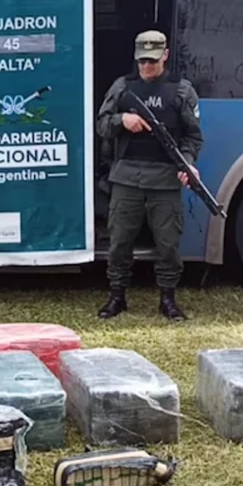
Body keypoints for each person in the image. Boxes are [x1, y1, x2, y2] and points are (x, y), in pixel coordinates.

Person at [94, 29, 204, 321]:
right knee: (119, 243)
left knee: (168, 244)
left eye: (152, 61)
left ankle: (168, 299)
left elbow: (192, 137)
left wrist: (188, 164)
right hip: (126, 178)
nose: (146, 66)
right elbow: (102, 125)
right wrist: (122, 120)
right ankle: (117, 296)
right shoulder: (122, 87)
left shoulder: (181, 91)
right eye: (142, 60)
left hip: (165, 179)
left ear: (165, 55)